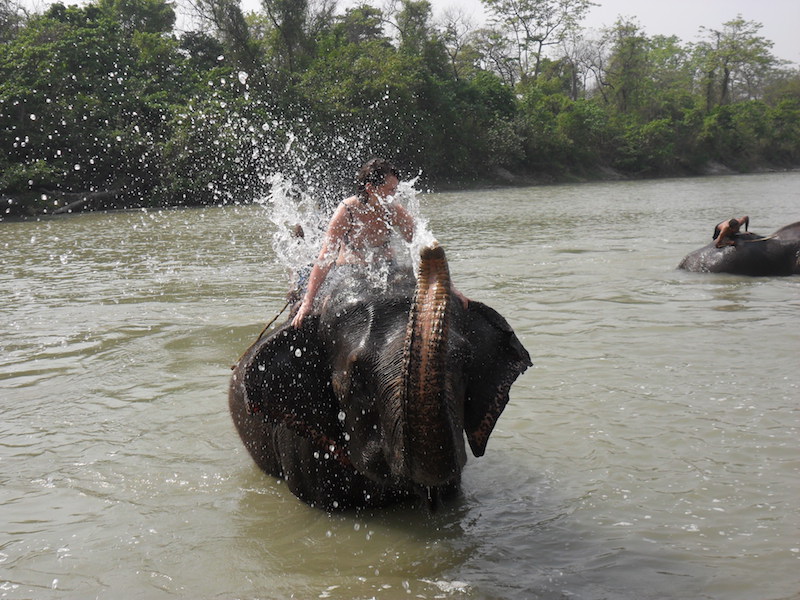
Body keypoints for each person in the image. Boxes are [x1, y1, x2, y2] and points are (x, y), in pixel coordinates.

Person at [291, 158, 416, 328]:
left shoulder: (393, 209)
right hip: (349, 272)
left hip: (388, 268)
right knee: (316, 315)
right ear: (370, 188)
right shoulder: (347, 210)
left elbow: (421, 245)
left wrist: (448, 287)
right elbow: (326, 257)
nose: (394, 195)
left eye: (395, 190)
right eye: (390, 190)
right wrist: (308, 301)